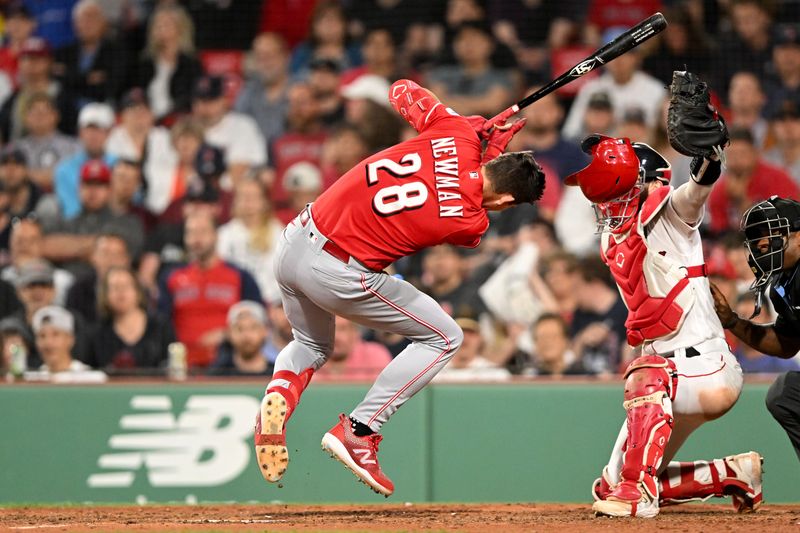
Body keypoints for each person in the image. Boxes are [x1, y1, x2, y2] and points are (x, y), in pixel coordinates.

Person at [254, 78, 545, 496]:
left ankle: (281, 389)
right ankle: (359, 429)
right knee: (446, 337)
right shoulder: (471, 222)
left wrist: (470, 129)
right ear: (507, 202)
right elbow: (481, 197)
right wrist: (488, 149)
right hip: (337, 272)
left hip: (296, 239)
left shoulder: (457, 133)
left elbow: (400, 90)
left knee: (312, 343)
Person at [567, 75, 761, 517]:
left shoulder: (671, 213)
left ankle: (641, 495)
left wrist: (710, 155)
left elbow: (697, 190)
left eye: (612, 194)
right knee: (607, 485)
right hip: (671, 375)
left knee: (645, 373)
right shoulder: (613, 239)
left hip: (705, 370)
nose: (603, 206)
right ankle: (732, 472)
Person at [710, 196, 800, 463]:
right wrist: (732, 321)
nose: (761, 243)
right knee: (785, 394)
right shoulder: (784, 283)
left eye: (771, 233)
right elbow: (785, 344)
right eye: (757, 236)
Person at [158, 212, 262, 368]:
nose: (196, 239)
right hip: (181, 364)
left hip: (228, 363)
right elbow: (161, 322)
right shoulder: (171, 277)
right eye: (191, 232)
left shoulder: (240, 277)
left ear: (216, 235)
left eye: (202, 232)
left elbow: (257, 321)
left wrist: (226, 334)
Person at [89, 266, 173, 373]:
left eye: (126, 286)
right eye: (114, 287)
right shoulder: (97, 332)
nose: (121, 292)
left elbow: (172, 364)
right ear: (105, 295)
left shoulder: (160, 325)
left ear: (138, 291)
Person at [136, 4, 203, 122]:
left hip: (179, 120)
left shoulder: (191, 64)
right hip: (147, 120)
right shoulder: (145, 63)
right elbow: (136, 92)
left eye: (166, 24)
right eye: (157, 25)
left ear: (180, 28)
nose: (161, 28)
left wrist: (169, 115)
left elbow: (194, 97)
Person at [26, 305, 106, 383]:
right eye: (42, 336)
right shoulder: (32, 380)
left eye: (55, 334)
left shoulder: (91, 378)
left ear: (70, 339)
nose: (48, 342)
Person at [314, 316, 394, 381]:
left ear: (355, 333)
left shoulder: (376, 354)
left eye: (342, 329)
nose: (335, 336)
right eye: (329, 330)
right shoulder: (309, 358)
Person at [209, 301, 273, 377]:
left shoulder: (276, 375)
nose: (246, 335)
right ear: (229, 333)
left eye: (253, 328)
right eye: (239, 329)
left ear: (265, 331)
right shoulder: (216, 376)